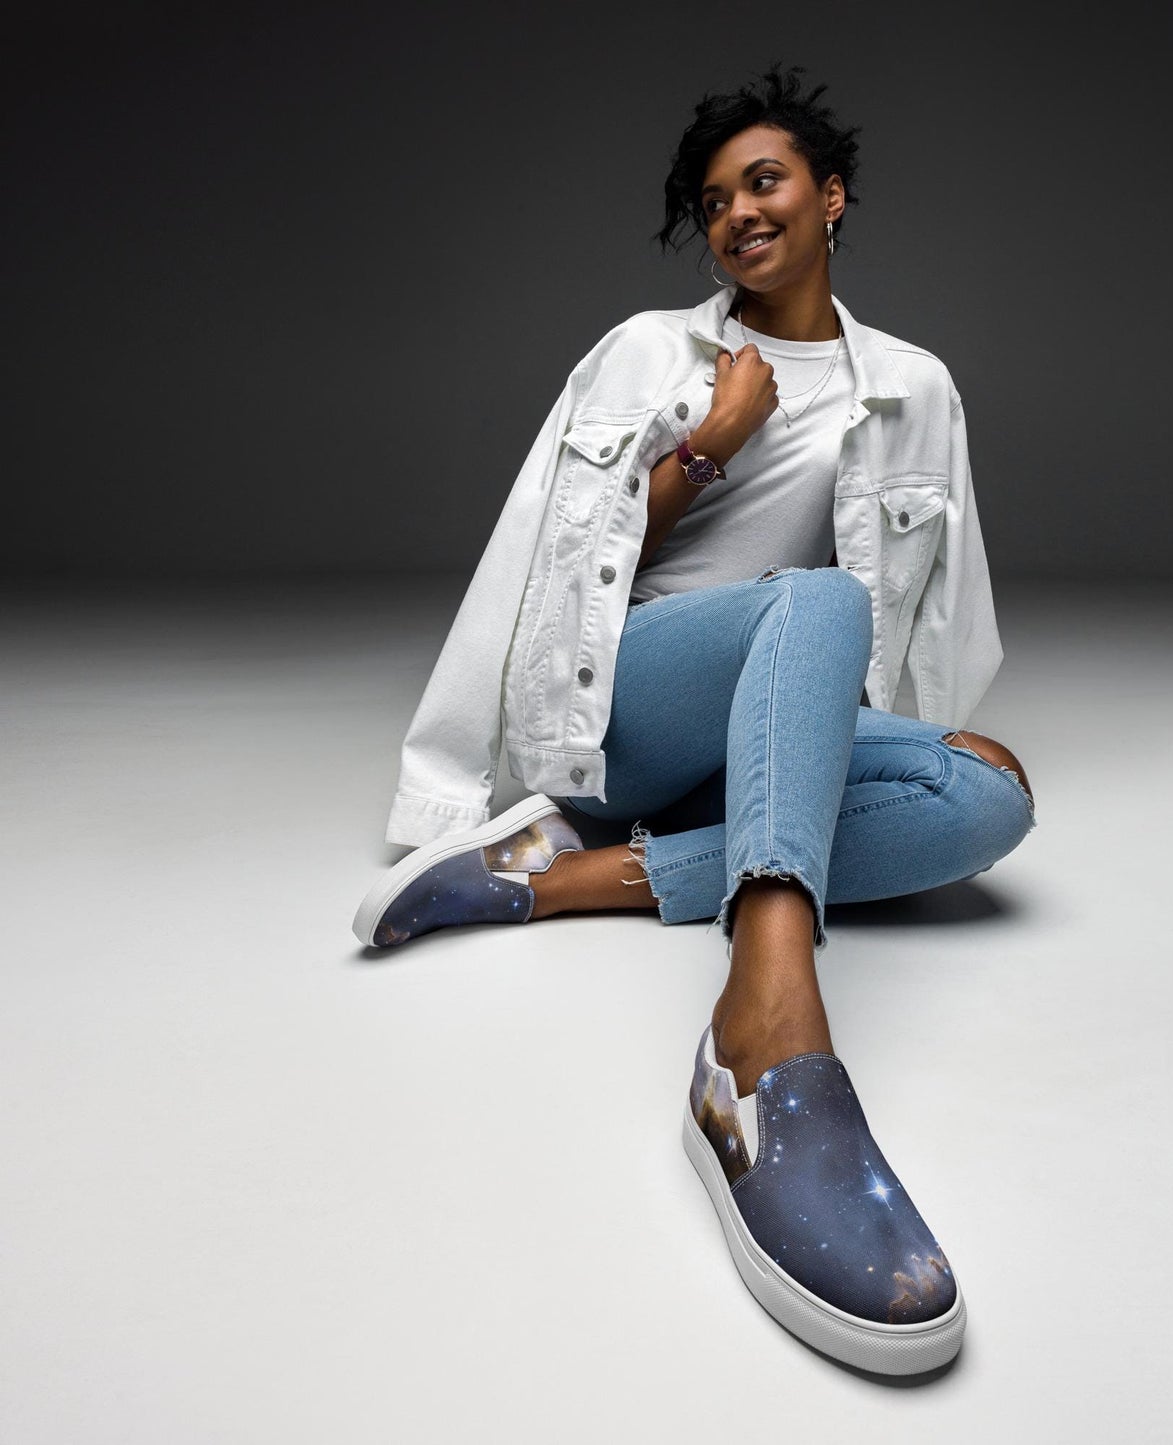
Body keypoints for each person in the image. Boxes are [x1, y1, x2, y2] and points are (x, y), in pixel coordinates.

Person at [350, 65, 1036, 1375]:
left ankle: (565, 878)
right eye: (713, 201)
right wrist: (714, 439)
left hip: (774, 719)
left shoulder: (916, 386)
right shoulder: (646, 354)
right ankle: (762, 1023)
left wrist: (872, 755)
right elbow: (553, 565)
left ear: (831, 198)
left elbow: (950, 616)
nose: (737, 214)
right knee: (820, 600)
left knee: (987, 790)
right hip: (629, 713)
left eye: (763, 182)